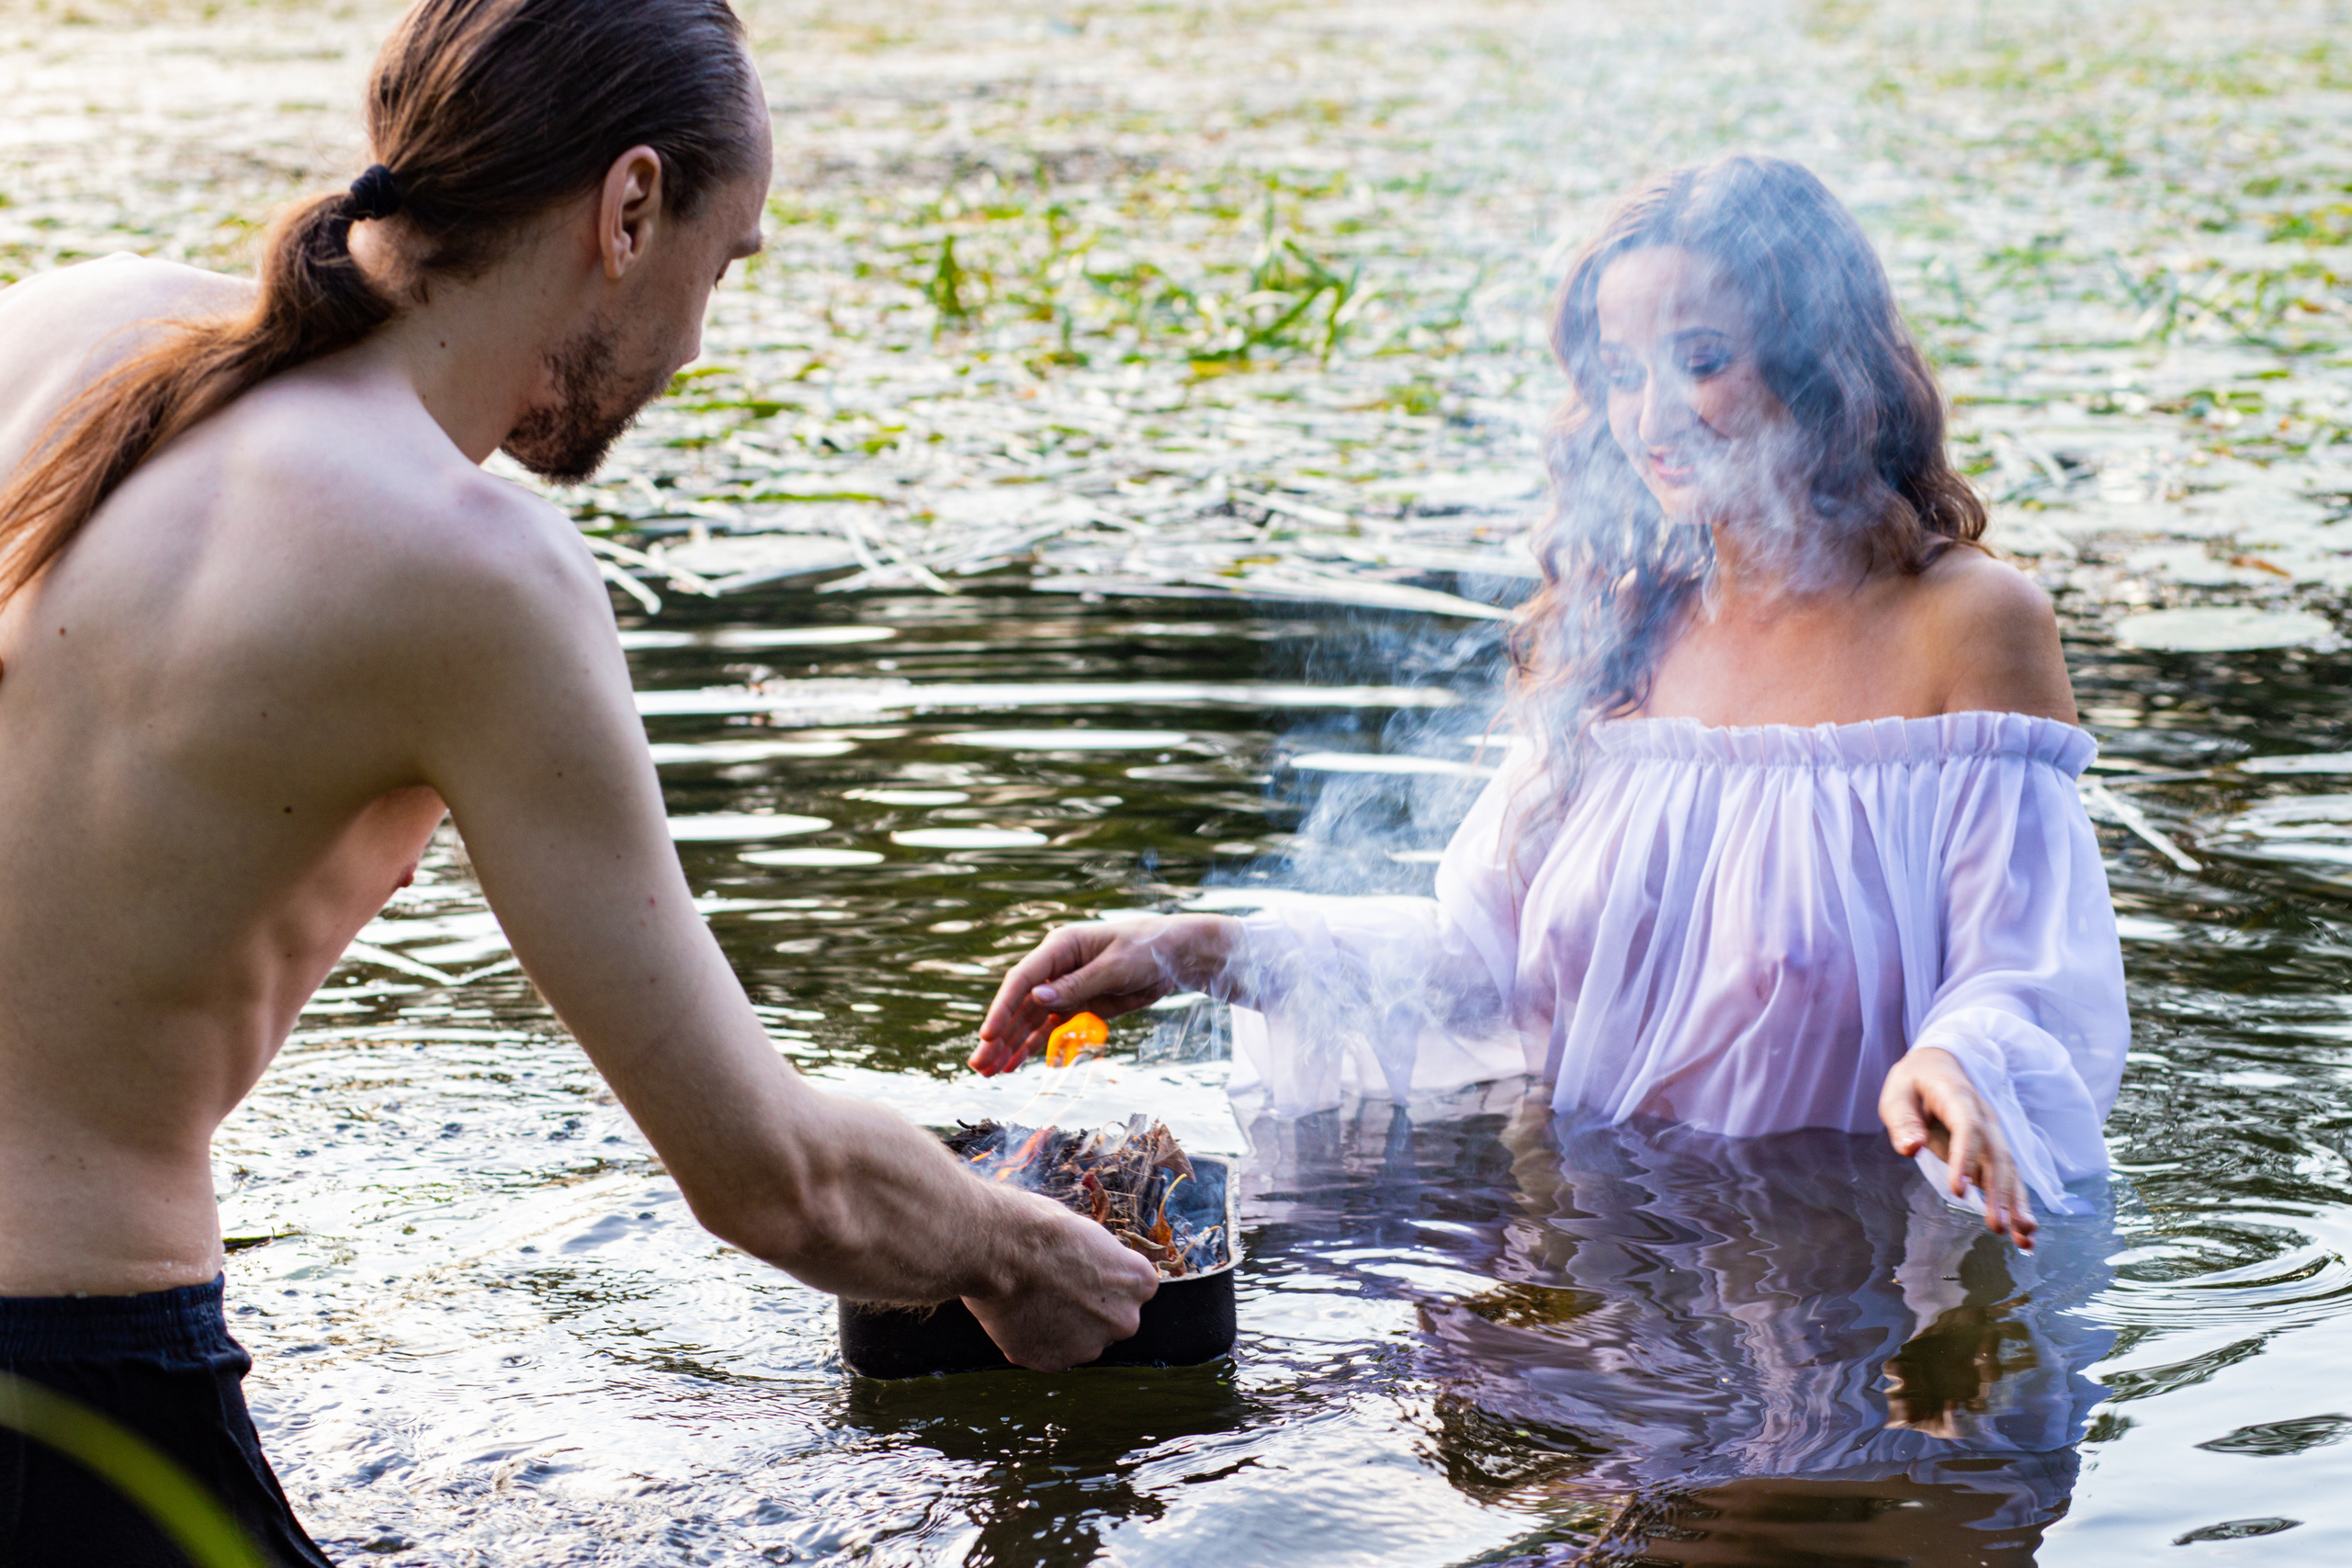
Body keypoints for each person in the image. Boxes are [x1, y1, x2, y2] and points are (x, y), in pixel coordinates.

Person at [0, 1, 1157, 1560]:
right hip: (64, 1382)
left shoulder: (74, 324)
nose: (694, 341)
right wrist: (1020, 1253)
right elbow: (769, 1174)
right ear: (628, 210)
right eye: (721, 265)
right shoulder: (473, 572)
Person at [973, 153, 2130, 1257]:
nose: (1653, 416)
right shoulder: (1622, 631)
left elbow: (2023, 970)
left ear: (1821, 360)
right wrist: (1200, 949)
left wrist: (1958, 1063)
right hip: (1592, 1254)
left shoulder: (1967, 625)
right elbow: (1479, 960)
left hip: (1850, 1270)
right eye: (1621, 375)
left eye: (1703, 357)